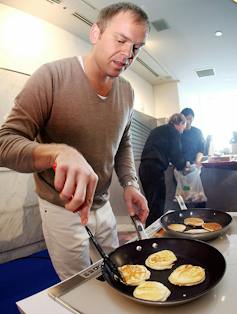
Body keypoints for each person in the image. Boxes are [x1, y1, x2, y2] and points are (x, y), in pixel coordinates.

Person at [0, 2, 149, 280]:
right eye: (121, 40)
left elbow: (123, 144)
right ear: (95, 33)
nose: (128, 54)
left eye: (137, 48)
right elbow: (4, 143)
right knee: (79, 284)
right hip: (61, 209)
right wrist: (58, 153)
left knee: (117, 276)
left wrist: (130, 183)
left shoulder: (127, 92)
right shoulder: (51, 77)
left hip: (103, 207)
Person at [139, 113, 187, 227]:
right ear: (180, 123)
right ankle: (153, 235)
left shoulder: (157, 130)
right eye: (183, 128)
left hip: (144, 168)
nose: (182, 132)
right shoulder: (173, 132)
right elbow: (177, 155)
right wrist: (184, 164)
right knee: (157, 205)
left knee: (151, 203)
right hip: (155, 169)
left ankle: (149, 231)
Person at [180, 108, 206, 207]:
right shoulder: (178, 132)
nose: (188, 121)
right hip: (181, 170)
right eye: (186, 119)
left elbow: (201, 149)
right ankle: (186, 217)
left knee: (198, 196)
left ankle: (202, 217)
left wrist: (197, 161)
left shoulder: (197, 132)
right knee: (185, 195)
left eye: (191, 119)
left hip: (193, 169)